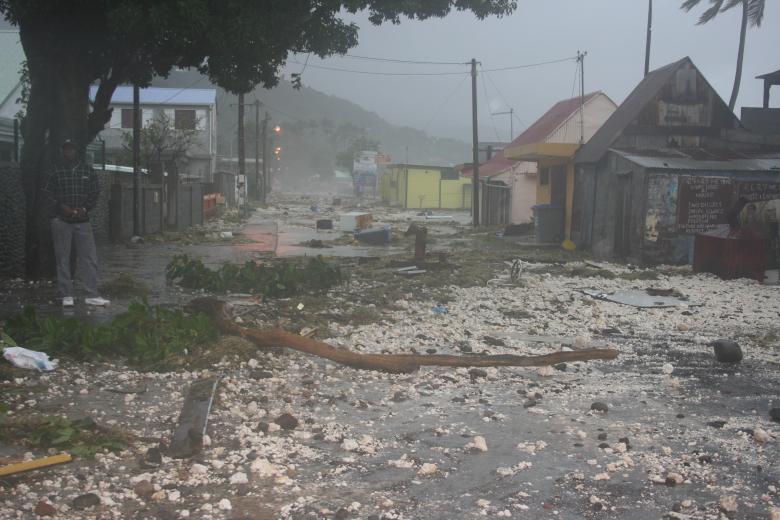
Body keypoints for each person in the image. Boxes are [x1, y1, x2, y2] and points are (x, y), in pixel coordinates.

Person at [43, 139, 110, 307]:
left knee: (89, 258)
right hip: (61, 221)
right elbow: (46, 193)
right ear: (62, 151)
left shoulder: (87, 171)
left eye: (71, 149)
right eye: (66, 149)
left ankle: (92, 294)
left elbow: (95, 193)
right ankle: (66, 295)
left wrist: (85, 209)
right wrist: (60, 207)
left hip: (83, 221)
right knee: (62, 258)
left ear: (77, 151)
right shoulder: (55, 171)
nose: (69, 152)